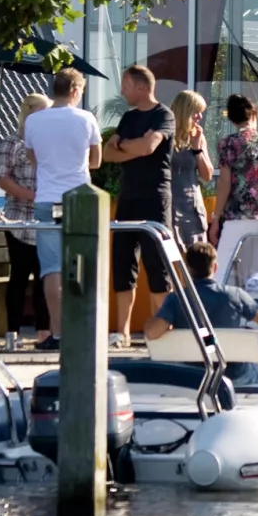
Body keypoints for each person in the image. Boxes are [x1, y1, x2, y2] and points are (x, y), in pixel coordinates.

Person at [22, 67, 103, 352]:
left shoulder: (34, 121)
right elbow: (95, 162)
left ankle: (57, 332)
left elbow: (33, 159)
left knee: (52, 269)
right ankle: (84, 328)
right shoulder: (86, 118)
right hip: (79, 199)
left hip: (47, 199)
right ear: (75, 90)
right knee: (83, 264)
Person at [144, 241, 258, 386]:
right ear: (215, 268)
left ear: (187, 269)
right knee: (257, 366)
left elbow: (152, 332)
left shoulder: (177, 299)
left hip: (193, 377)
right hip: (234, 377)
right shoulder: (235, 295)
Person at [101, 65, 176, 349]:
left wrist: (124, 145)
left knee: (157, 266)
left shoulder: (164, 115)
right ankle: (122, 333)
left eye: (126, 85)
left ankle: (161, 329)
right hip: (128, 198)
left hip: (155, 198)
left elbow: (150, 148)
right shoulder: (129, 118)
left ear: (142, 87)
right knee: (123, 264)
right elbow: (108, 153)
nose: (122, 91)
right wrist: (130, 144)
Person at [0, 93, 53, 347]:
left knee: (45, 275)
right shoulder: (12, 143)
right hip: (19, 218)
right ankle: (12, 333)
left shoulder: (51, 144)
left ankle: (44, 331)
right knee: (19, 275)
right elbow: (1, 177)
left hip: (47, 219)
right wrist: (31, 195)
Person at [209, 94, 258, 247]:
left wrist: (216, 218)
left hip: (236, 218)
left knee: (226, 268)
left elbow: (224, 184)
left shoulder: (228, 144)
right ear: (253, 115)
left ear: (232, 119)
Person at [168, 90, 214, 248]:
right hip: (170, 203)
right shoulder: (166, 136)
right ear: (185, 111)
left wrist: (196, 148)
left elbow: (207, 175)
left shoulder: (198, 138)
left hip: (192, 206)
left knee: (195, 258)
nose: (200, 117)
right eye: (196, 112)